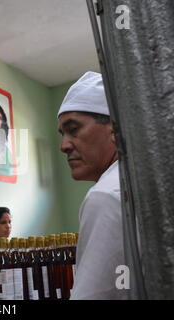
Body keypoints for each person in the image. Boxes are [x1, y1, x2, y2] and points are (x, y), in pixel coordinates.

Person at [57, 71, 128, 299]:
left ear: (114, 128)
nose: (64, 145)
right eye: (62, 133)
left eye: (74, 129)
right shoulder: (134, 183)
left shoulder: (108, 195)